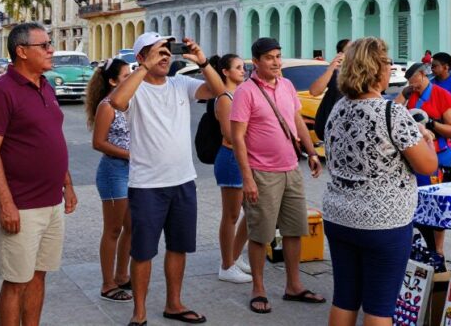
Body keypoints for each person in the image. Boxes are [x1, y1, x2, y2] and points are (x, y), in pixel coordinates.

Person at [108, 32, 226, 326]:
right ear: (141, 57)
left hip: (183, 181)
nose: (164, 57)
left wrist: (202, 62)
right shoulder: (134, 88)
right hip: (147, 185)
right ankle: (140, 312)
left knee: (178, 246)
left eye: (166, 51)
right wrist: (143, 69)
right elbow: (116, 102)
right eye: (157, 51)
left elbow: (219, 90)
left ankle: (174, 303)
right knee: (143, 251)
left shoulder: (180, 84)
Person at [322, 37, 438, 326]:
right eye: (388, 63)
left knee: (344, 298)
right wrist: (426, 139)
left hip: (339, 216)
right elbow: (427, 165)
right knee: (379, 306)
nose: (391, 69)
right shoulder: (390, 112)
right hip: (383, 222)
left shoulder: (339, 108)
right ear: (376, 69)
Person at [0, 23, 78, 326]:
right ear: (22, 51)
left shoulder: (45, 85)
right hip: (19, 205)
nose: (51, 50)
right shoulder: (0, 93)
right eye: (44, 45)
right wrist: (6, 203)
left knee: (38, 275)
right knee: (16, 281)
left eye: (49, 44)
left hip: (51, 203)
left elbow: (51, 138)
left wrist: (68, 184)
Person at [230, 37, 325, 315]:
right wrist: (247, 178)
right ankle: (258, 288)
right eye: (270, 57)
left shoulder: (286, 85)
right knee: (260, 234)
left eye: (278, 56)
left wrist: (312, 153)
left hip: (291, 169)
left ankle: (293, 285)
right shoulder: (246, 92)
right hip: (261, 173)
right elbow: (237, 137)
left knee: (295, 230)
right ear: (256, 61)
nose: (276, 62)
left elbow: (297, 121)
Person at [85, 58, 134, 303]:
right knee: (113, 229)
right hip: (114, 171)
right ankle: (107, 284)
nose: (132, 79)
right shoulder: (107, 106)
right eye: (126, 76)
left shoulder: (131, 103)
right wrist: (131, 154)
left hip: (134, 172)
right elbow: (98, 143)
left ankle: (123, 274)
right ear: (113, 81)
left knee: (132, 227)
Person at [209, 54, 252, 284]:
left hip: (246, 156)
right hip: (231, 158)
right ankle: (226, 265)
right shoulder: (225, 97)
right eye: (238, 67)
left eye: (243, 66)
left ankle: (234, 256)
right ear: (225, 72)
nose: (243, 70)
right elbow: (228, 133)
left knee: (253, 211)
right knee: (232, 214)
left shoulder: (243, 92)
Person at [393, 63, 451, 182]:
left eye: (413, 81)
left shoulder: (442, 95)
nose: (412, 85)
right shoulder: (410, 93)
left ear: (422, 75)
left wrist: (432, 123)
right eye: (409, 82)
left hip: (439, 153)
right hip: (416, 154)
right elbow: (392, 113)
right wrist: (403, 95)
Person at [312, 39, 350, 141]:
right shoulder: (335, 73)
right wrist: (332, 67)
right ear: (341, 54)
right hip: (332, 128)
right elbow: (314, 91)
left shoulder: (361, 73)